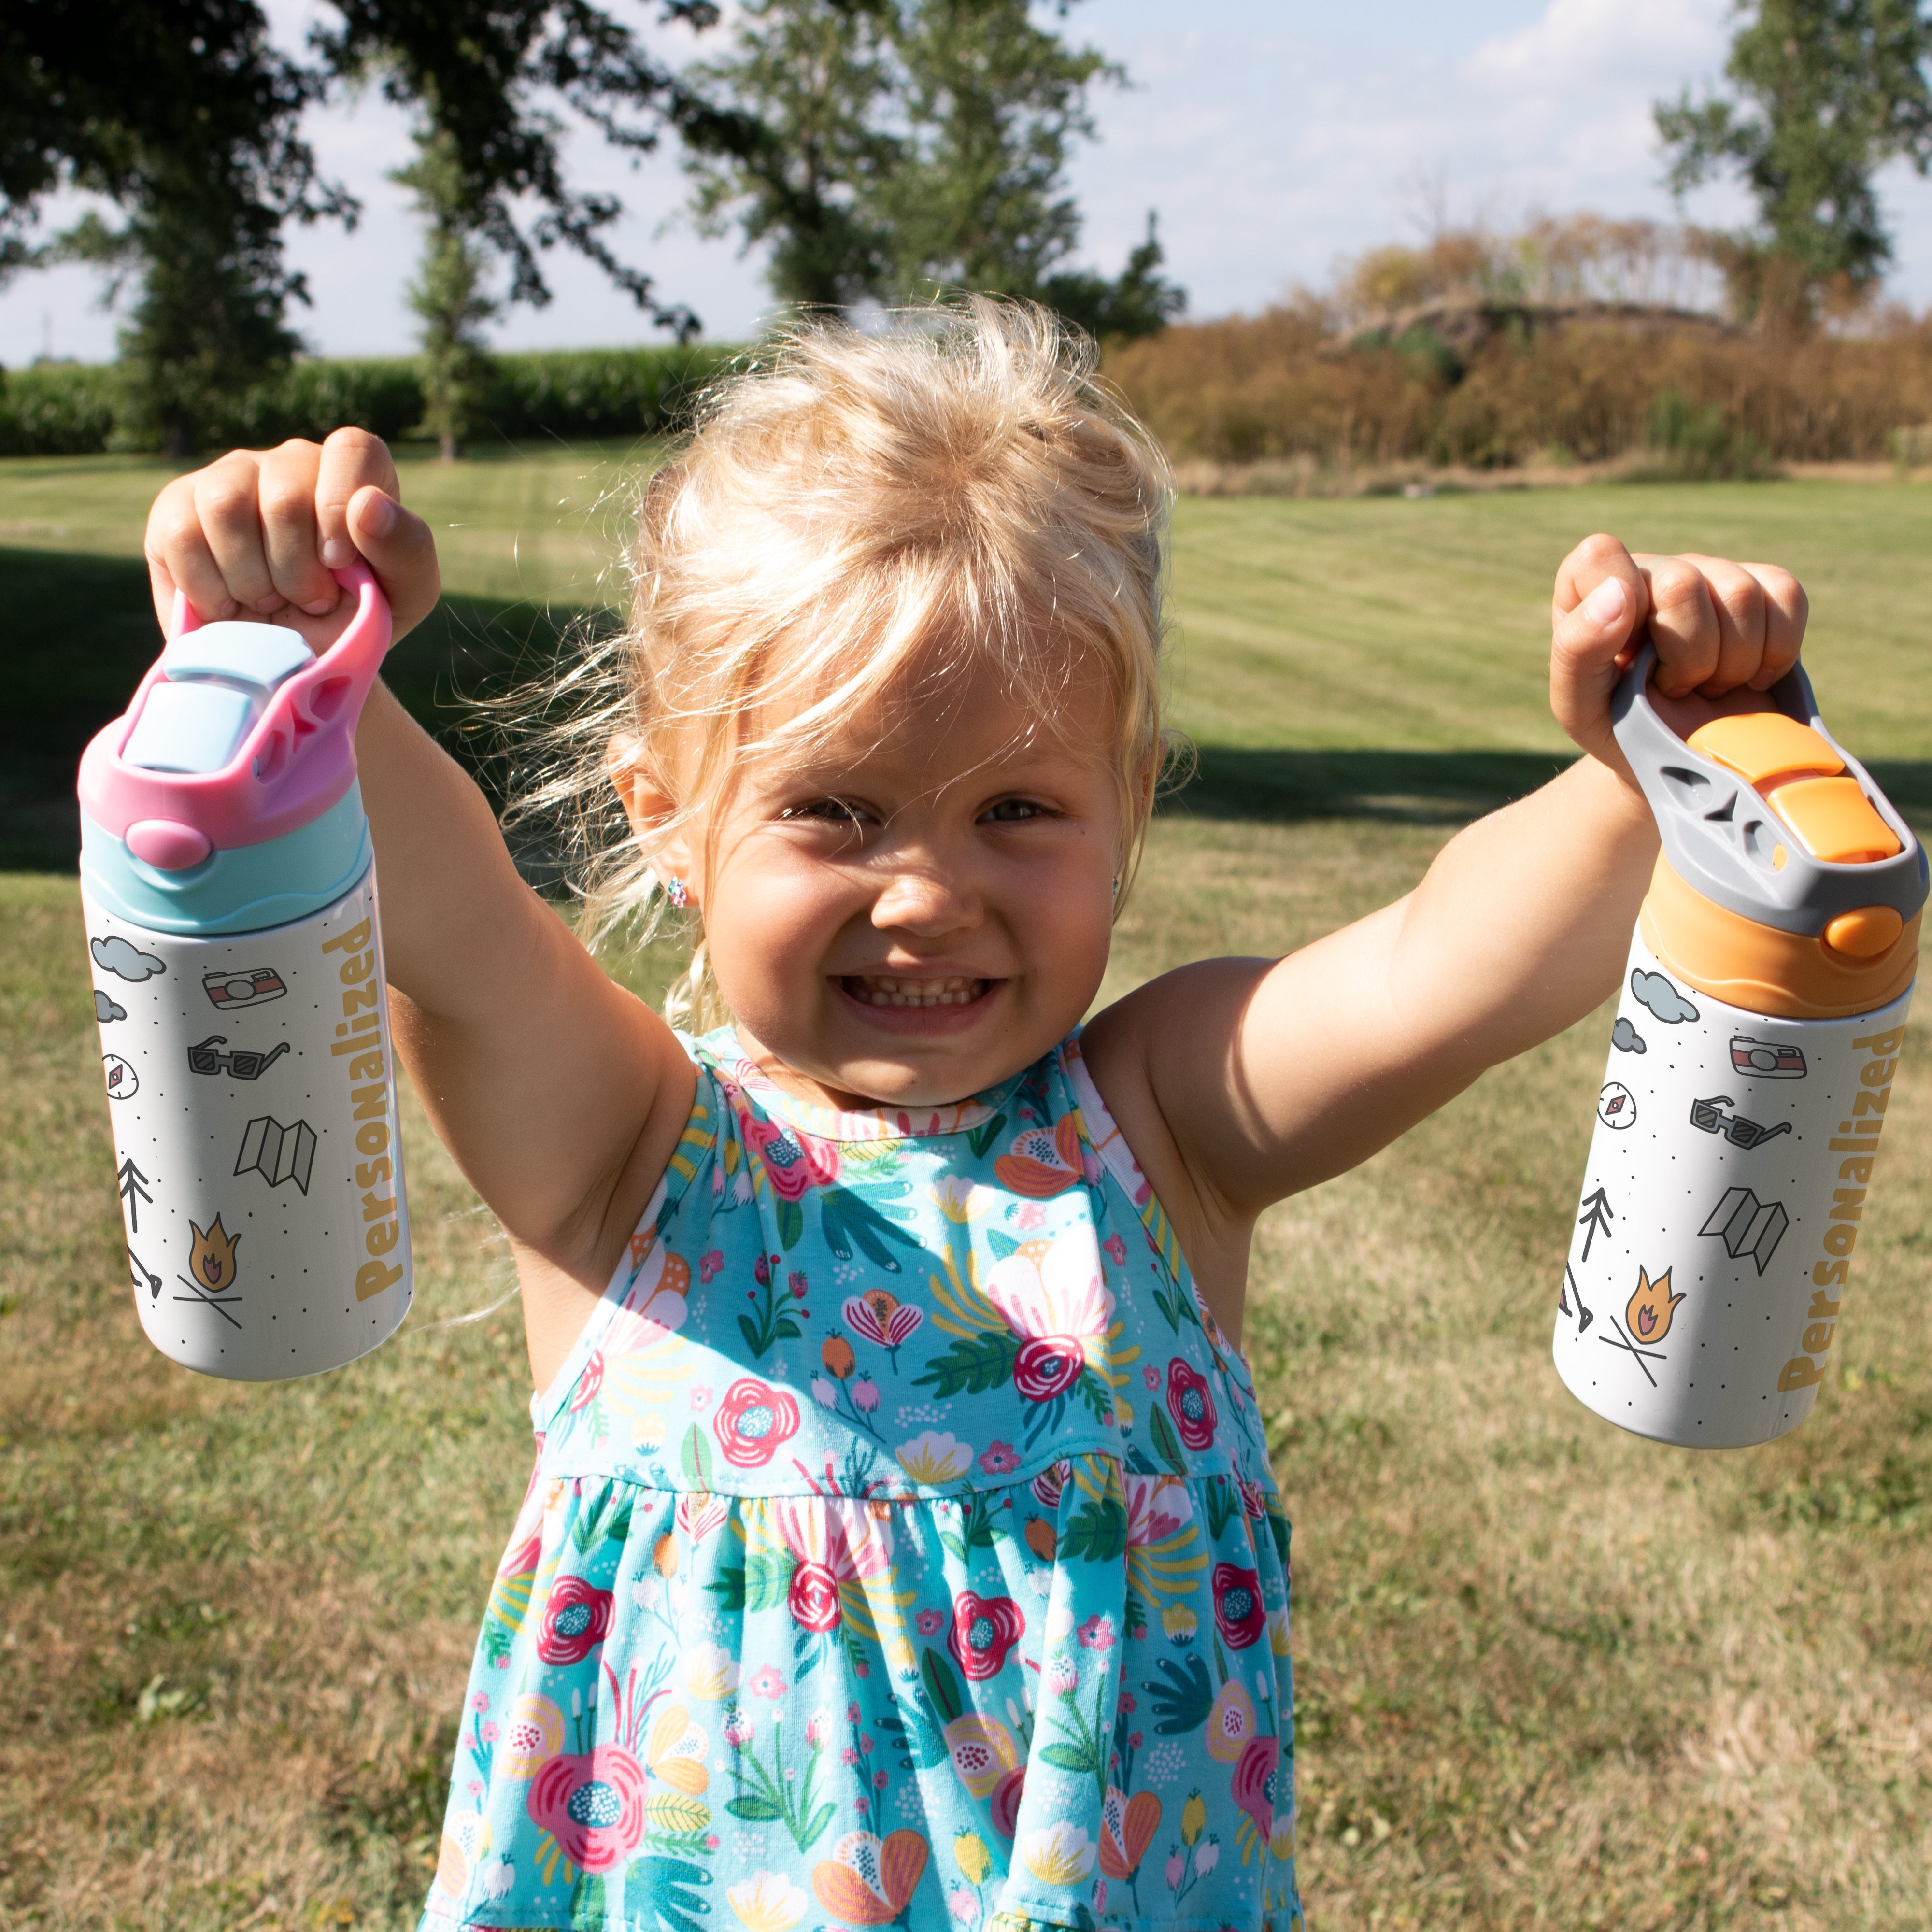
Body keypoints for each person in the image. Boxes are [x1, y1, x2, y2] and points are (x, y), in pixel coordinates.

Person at [139, 300, 1805, 1932]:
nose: (927, 894)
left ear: (1130, 802)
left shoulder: (1163, 1133)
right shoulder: (630, 1154)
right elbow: (463, 935)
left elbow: (1452, 966)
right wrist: (297, 678)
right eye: (834, 811)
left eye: (1019, 809)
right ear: (668, 818)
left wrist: (1648, 766)